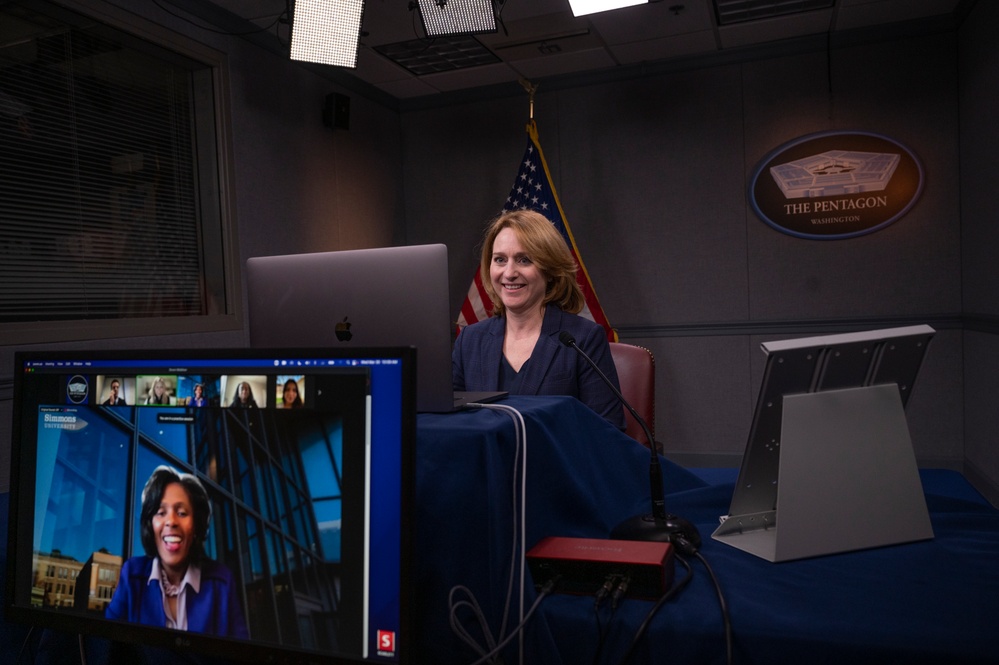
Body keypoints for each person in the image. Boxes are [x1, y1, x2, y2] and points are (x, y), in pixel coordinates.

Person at [452, 209, 625, 429]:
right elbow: (450, 422)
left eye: (524, 260)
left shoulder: (583, 339)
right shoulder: (470, 340)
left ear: (550, 269)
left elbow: (608, 429)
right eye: (500, 260)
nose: (509, 273)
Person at [105, 466, 249, 638]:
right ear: (150, 526)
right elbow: (106, 642)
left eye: (181, 513)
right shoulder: (132, 575)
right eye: (161, 512)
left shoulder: (222, 582)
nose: (171, 521)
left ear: (195, 526)